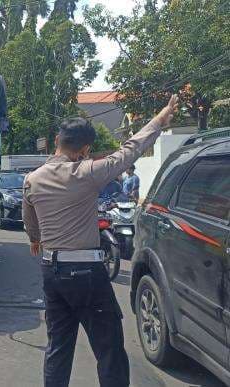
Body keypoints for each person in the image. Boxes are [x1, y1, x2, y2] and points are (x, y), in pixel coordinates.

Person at [22, 95, 178, 387]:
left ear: (58, 140)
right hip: (86, 275)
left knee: (58, 348)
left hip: (51, 271)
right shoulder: (88, 173)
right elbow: (130, 150)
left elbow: (28, 215)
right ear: (84, 150)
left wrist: (35, 238)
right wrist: (160, 119)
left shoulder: (32, 179)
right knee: (109, 350)